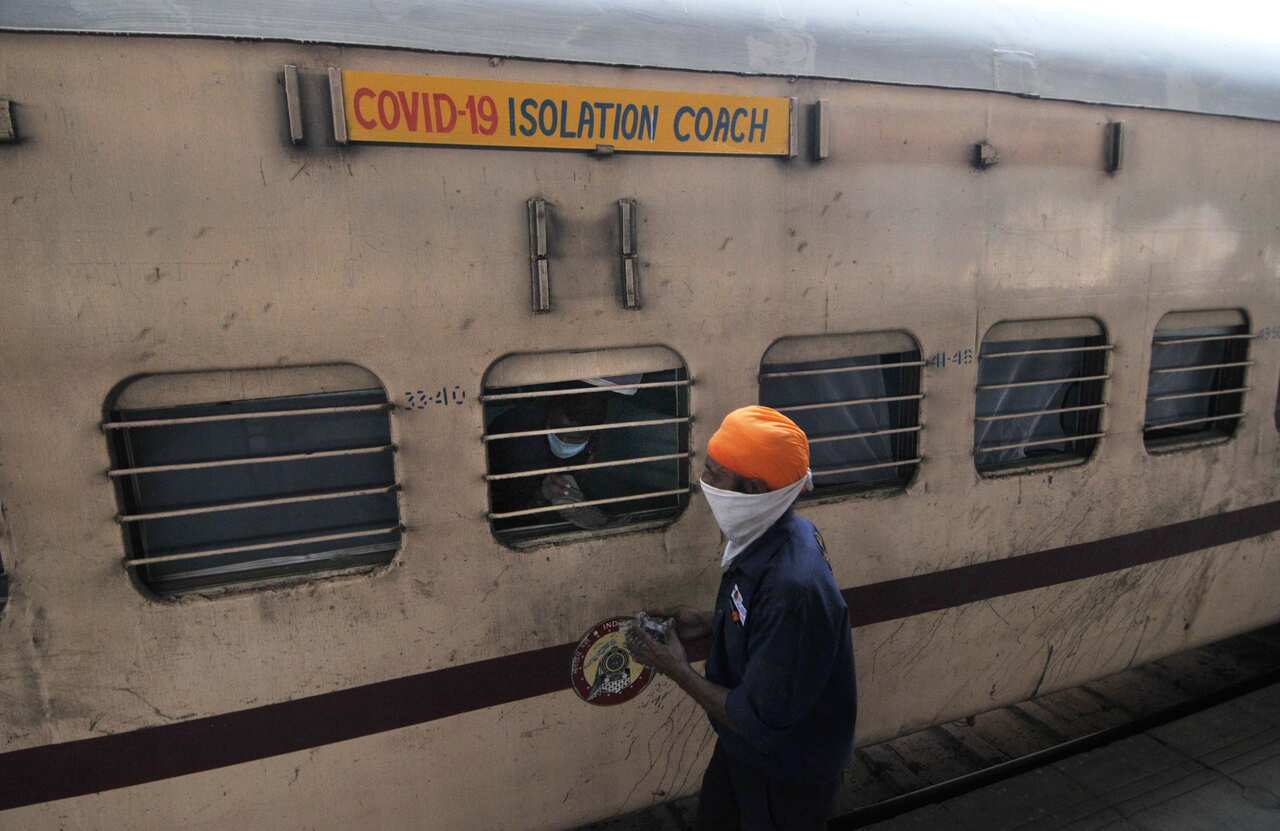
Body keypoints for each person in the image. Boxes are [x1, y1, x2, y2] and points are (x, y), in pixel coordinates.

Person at [627, 405, 856, 831]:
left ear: (751, 489)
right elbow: (768, 632)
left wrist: (675, 668)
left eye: (715, 474)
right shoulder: (773, 535)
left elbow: (756, 717)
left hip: (784, 768)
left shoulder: (793, 587)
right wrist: (709, 622)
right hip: (745, 753)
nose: (705, 483)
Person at [487, 393, 611, 530]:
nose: (563, 441)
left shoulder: (601, 438)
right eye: (557, 431)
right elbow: (500, 505)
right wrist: (540, 496)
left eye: (574, 438)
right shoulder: (516, 433)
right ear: (548, 415)